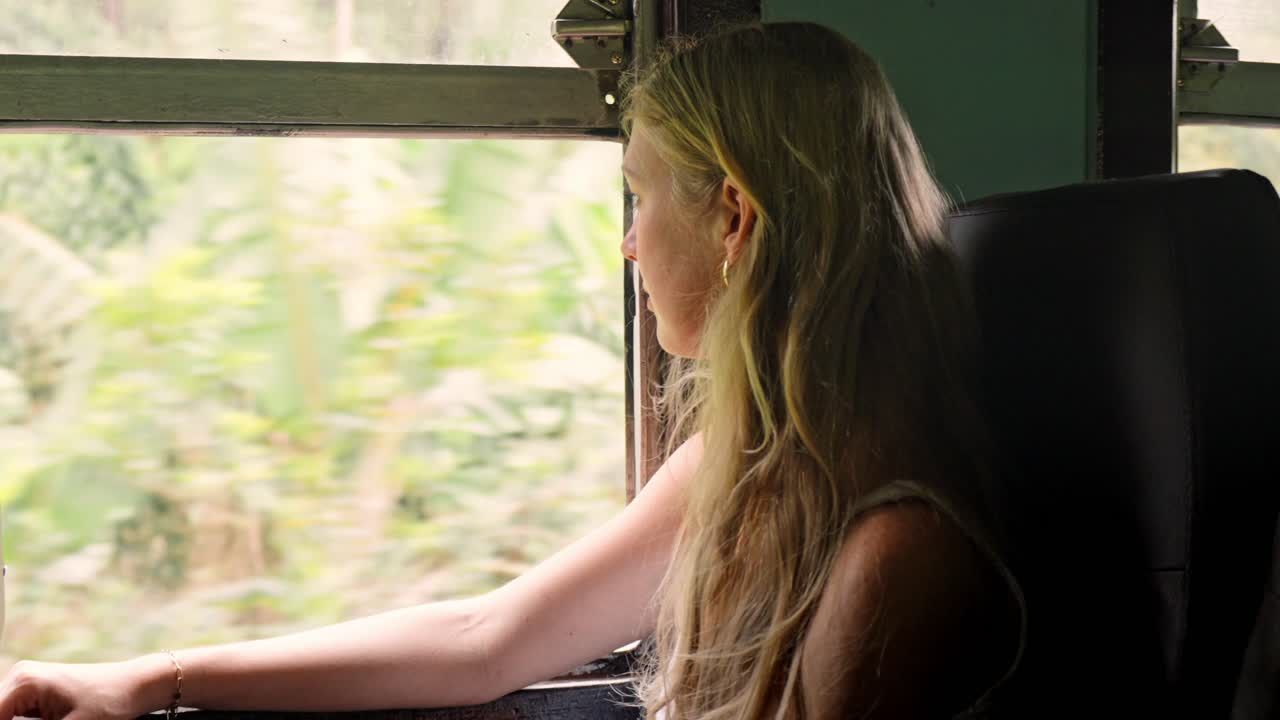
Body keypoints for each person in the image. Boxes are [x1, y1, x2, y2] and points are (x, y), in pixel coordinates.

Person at [0, 22, 1024, 720]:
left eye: (641, 197)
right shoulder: (753, 466)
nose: (628, 244)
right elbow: (488, 637)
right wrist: (152, 676)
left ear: (731, 218)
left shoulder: (893, 556)